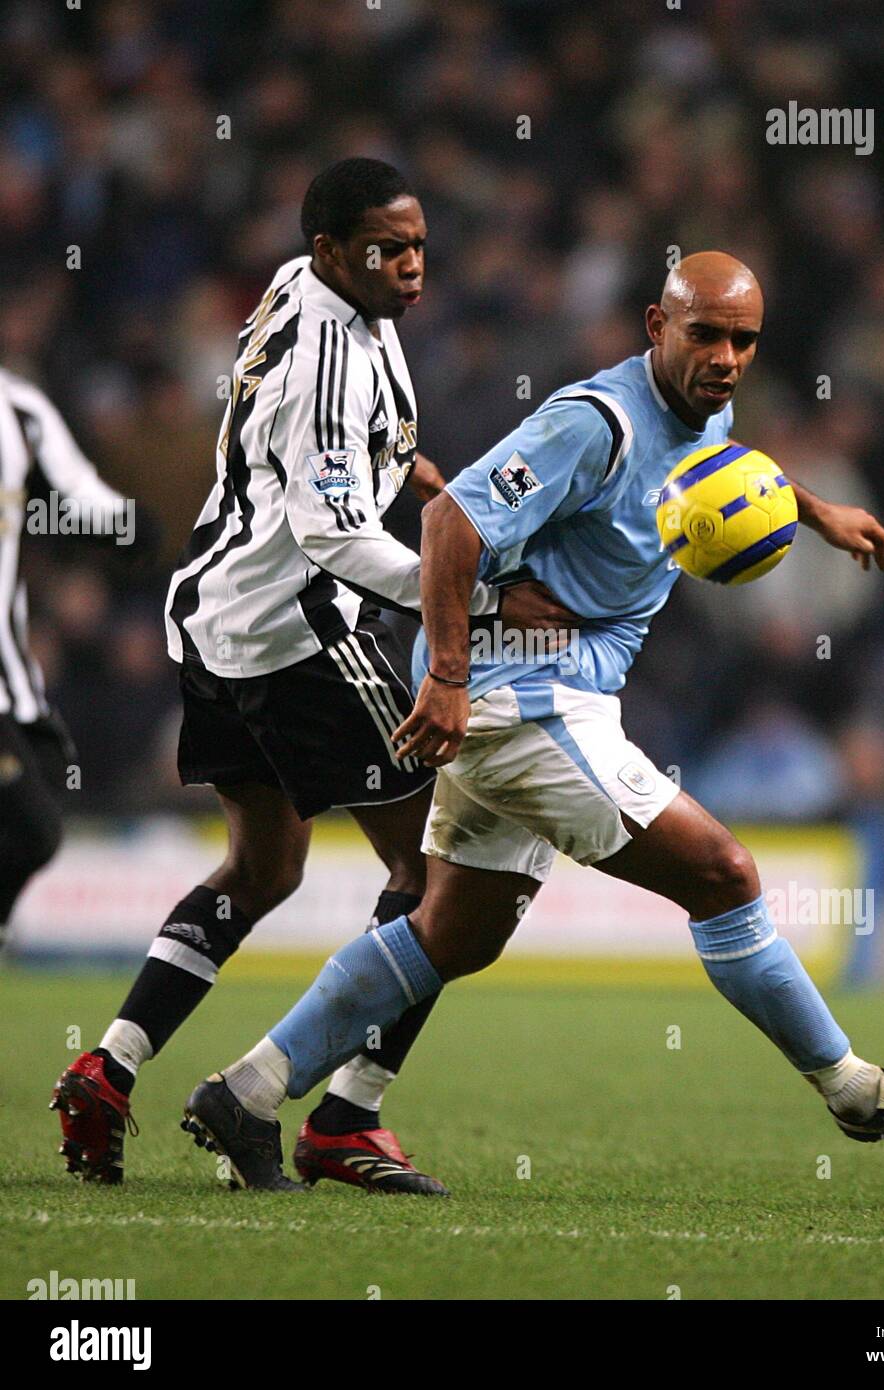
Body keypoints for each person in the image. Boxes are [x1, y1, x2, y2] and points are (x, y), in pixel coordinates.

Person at [182, 251, 884, 1191]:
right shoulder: (591, 423)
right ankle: (853, 1091)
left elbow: (717, 463)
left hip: (551, 695)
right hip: (518, 697)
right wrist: (444, 675)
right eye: (705, 335)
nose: (726, 357)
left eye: (742, 340)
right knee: (723, 875)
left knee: (456, 933)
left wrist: (814, 509)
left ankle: (248, 1091)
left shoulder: (703, 404)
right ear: (656, 326)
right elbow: (450, 525)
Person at [51, 157, 572, 1193]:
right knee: (437, 878)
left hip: (210, 621)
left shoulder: (302, 282)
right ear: (335, 251)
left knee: (262, 870)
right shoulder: (327, 359)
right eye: (392, 249)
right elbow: (333, 538)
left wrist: (400, 463)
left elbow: (311, 454)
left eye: (421, 243)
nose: (415, 266)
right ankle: (345, 1116)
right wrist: (470, 595)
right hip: (299, 640)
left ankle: (108, 1065)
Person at [0, 367, 136, 951]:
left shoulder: (21, 416)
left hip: (19, 687)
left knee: (45, 802)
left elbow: (85, 509)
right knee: (35, 829)